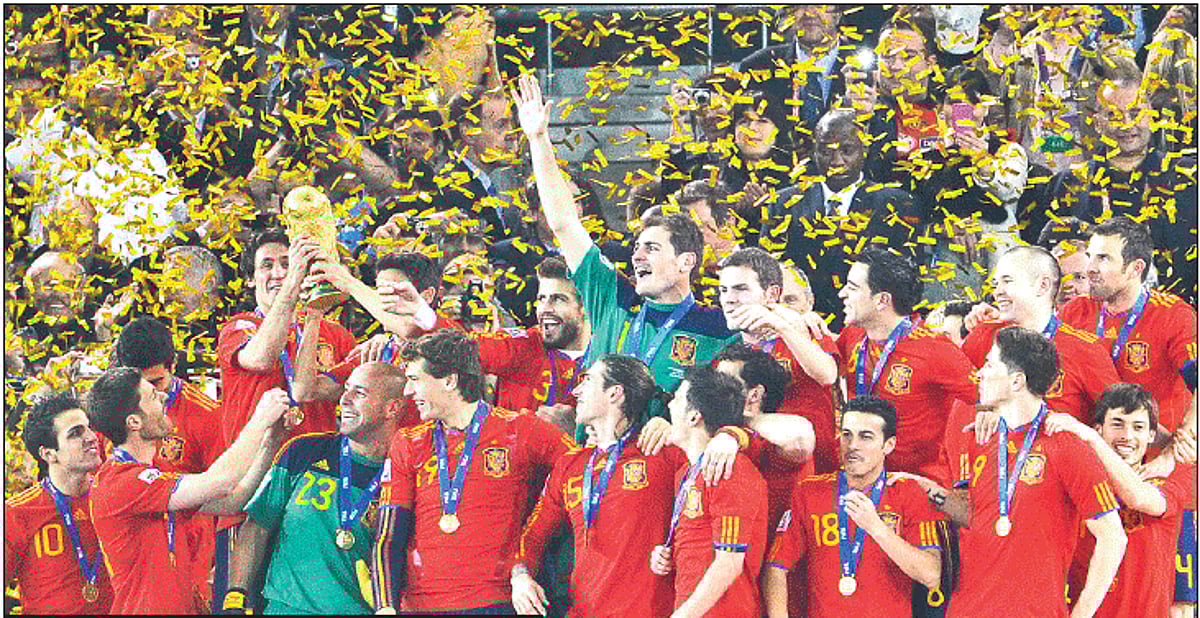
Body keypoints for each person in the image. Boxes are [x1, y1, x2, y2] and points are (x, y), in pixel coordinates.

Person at [512, 73, 738, 446]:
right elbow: (564, 224)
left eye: (652, 247)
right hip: (593, 463)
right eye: (637, 246)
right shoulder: (613, 298)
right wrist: (538, 140)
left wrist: (677, 427)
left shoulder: (718, 328)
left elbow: (733, 413)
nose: (637, 254)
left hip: (662, 471)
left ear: (686, 262)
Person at [922, 327, 1128, 618]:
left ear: (1017, 381)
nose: (979, 373)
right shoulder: (980, 437)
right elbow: (978, 517)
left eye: (990, 365)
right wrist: (921, 488)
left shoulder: (1066, 445)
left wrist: (1081, 615)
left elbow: (1114, 537)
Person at [370, 329, 575, 614]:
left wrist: (527, 555)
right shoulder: (408, 442)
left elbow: (583, 470)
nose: (407, 391)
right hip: (421, 606)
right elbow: (388, 534)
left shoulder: (522, 430)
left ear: (450, 381)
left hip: (496, 603)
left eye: (415, 379)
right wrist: (385, 607)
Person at [87, 367, 287, 614]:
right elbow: (220, 480)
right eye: (152, 396)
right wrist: (260, 419)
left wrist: (269, 445)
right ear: (134, 422)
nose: (163, 396)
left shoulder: (158, 470)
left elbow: (232, 501)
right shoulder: (118, 482)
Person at [223, 362, 406, 614]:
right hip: (286, 608)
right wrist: (236, 594)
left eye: (360, 393)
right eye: (347, 389)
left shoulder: (404, 472)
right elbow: (257, 526)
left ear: (392, 408)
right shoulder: (303, 451)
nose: (345, 400)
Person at [763, 396, 944, 618]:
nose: (853, 445)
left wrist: (875, 526)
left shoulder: (908, 493)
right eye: (846, 434)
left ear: (889, 445)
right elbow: (776, 568)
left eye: (866, 437)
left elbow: (931, 575)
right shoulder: (809, 492)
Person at [1042, 63, 1198, 303]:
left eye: (1135, 114)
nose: (1127, 124)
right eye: (1114, 116)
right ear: (1097, 122)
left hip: (1180, 320)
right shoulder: (1069, 184)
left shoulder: (1189, 177)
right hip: (1094, 325)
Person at [1042, 384, 1197, 618]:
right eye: (1117, 424)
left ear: (1151, 436)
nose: (1127, 436)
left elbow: (1137, 497)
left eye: (1138, 427)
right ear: (1099, 427)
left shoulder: (1175, 477)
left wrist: (1093, 440)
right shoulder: (1077, 481)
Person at [1059, 216, 1197, 476]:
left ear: (1136, 268)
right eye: (1090, 256)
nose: (1090, 268)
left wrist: (1173, 453)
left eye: (1103, 258)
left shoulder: (1173, 315)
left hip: (1155, 464)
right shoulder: (1074, 312)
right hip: (1094, 460)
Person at [763, 109, 920, 327]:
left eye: (847, 150)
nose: (837, 161)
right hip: (798, 326)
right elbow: (770, 272)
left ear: (864, 149)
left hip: (868, 327)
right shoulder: (782, 203)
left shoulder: (897, 204)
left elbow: (906, 278)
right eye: (826, 151)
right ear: (814, 151)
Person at [836, 247, 978, 476]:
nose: (842, 294)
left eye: (852, 288)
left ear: (882, 300)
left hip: (916, 488)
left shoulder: (936, 349)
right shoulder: (851, 337)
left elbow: (989, 397)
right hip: (861, 479)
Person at [217, 228, 357, 446]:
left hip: (315, 470)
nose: (279, 273)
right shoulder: (238, 328)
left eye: (286, 263)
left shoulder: (335, 334)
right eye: (267, 265)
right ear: (250, 279)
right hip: (256, 469)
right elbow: (261, 359)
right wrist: (292, 282)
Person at [649, 366, 768, 617]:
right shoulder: (686, 472)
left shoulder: (730, 470)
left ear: (694, 417)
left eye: (678, 399)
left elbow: (729, 563)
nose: (669, 405)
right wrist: (671, 551)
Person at [961, 246, 1120, 423]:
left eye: (1008, 281)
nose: (997, 292)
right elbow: (959, 401)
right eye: (996, 284)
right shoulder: (983, 336)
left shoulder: (1086, 350)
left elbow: (1118, 418)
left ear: (1043, 285)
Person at [717, 248, 838, 473]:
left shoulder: (806, 332)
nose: (729, 299)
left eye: (741, 289)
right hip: (755, 472)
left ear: (772, 295)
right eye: (723, 290)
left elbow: (827, 374)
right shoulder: (727, 353)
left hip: (813, 477)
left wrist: (782, 326)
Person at [5, 392, 113, 614]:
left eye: (89, 427)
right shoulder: (17, 513)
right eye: (75, 433)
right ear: (48, 454)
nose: (92, 437)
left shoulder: (114, 497)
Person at [737, 6, 848, 150]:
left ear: (838, 13)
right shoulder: (757, 66)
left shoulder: (865, 66)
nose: (809, 12)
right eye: (798, 5)